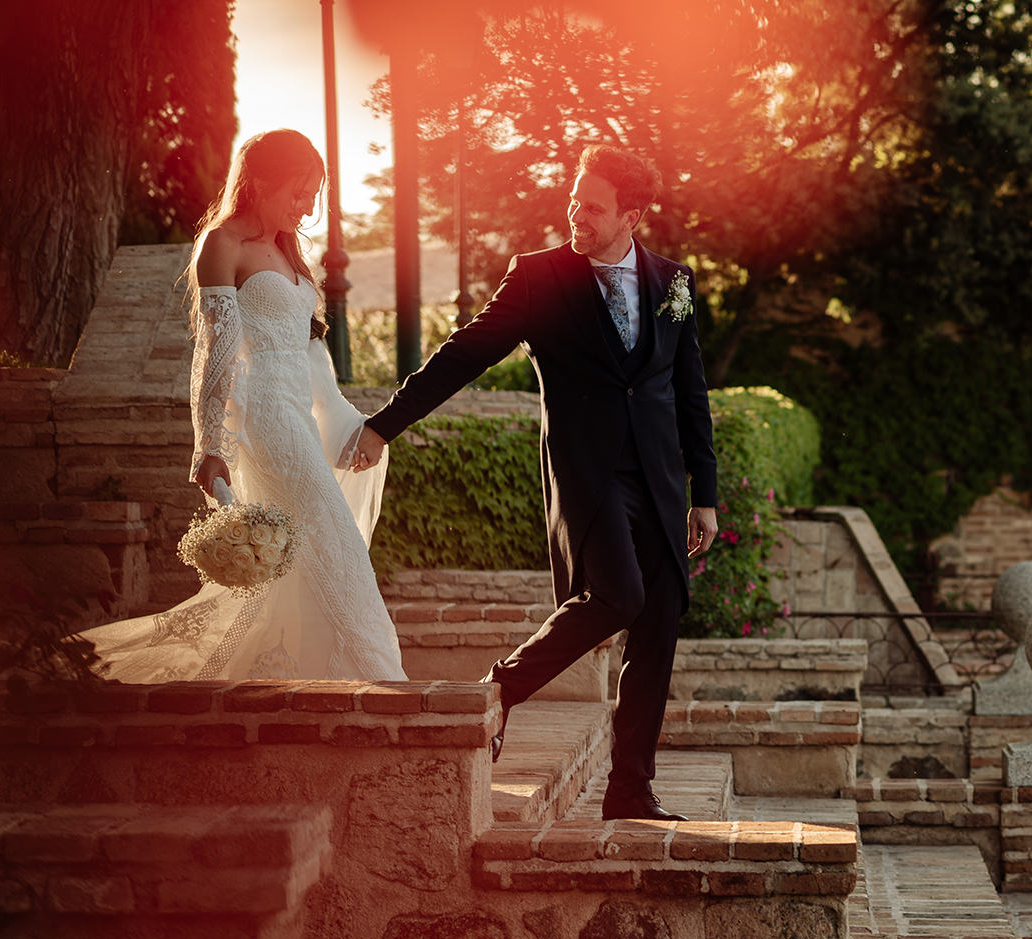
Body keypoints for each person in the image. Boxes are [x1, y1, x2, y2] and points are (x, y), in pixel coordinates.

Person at [349, 144, 717, 822]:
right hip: (590, 475)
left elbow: (690, 392)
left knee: (660, 622)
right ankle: (501, 690)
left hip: (662, 480)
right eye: (574, 199)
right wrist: (384, 424)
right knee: (617, 597)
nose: (576, 214)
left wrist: (706, 494)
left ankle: (630, 791)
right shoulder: (539, 279)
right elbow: (464, 353)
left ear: (631, 216)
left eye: (594, 207)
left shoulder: (674, 282)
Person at [82, 129, 404, 684]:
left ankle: (308, 690)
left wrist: (350, 425)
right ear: (259, 181)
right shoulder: (222, 245)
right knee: (337, 549)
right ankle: (379, 687)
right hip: (267, 426)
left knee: (301, 568)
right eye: (298, 192)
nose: (306, 208)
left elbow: (312, 360)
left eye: (313, 196)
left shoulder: (287, 252)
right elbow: (216, 354)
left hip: (300, 420)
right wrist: (210, 446)